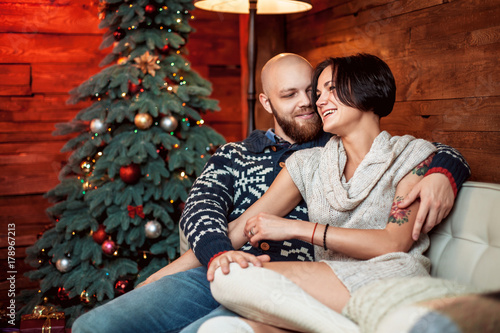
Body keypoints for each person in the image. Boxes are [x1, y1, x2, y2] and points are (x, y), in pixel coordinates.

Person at [71, 53, 470, 333]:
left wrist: (445, 170)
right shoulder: (280, 161)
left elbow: (428, 163)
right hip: (235, 269)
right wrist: (161, 277)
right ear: (265, 102)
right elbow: (225, 220)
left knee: (218, 312)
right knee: (94, 325)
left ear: (362, 89)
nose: (312, 102)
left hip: (306, 278)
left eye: (318, 90)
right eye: (293, 95)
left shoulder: (401, 152)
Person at [197, 53, 465, 333]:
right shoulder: (307, 163)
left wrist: (295, 228)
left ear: (367, 88)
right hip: (330, 285)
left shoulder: (411, 155)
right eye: (319, 92)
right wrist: (205, 257)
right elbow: (244, 223)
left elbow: (392, 243)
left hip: (391, 276)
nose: (319, 100)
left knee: (233, 280)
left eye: (331, 89)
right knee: (221, 322)